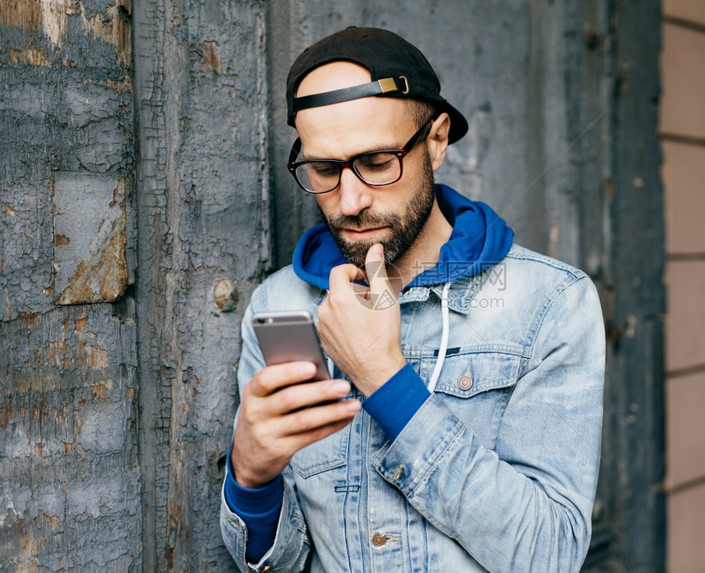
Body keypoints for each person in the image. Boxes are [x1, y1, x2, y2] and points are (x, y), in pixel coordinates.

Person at [220, 26, 605, 573]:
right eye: (325, 170)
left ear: (438, 139)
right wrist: (251, 481)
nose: (350, 202)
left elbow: (550, 555)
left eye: (377, 162)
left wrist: (383, 379)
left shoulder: (549, 303)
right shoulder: (279, 305)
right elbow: (282, 564)